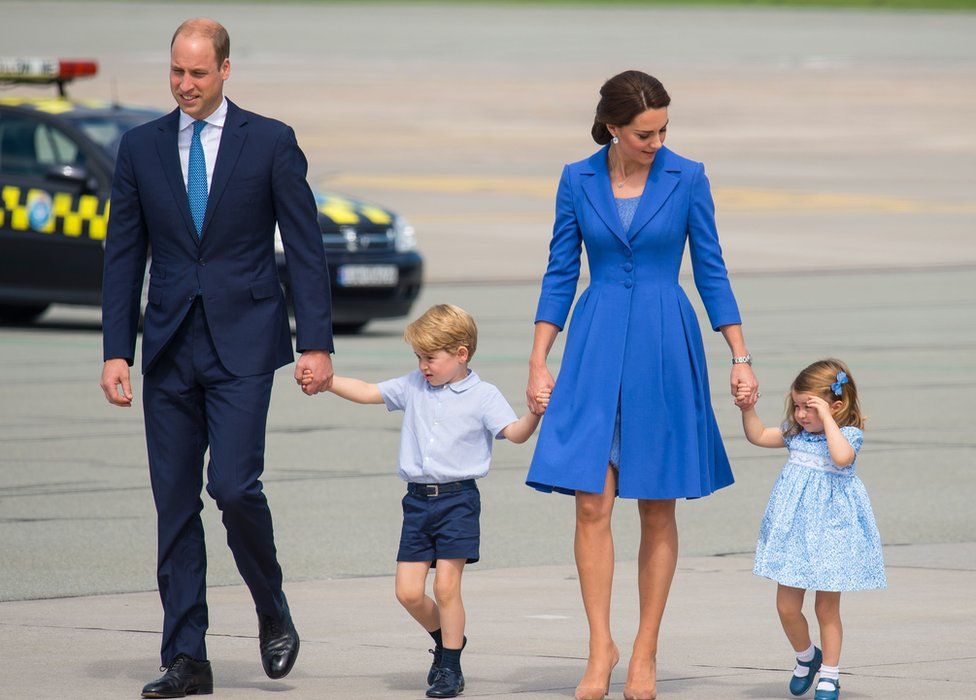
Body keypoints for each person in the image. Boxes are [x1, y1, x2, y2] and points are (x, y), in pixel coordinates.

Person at [98, 18, 335, 698]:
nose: (185, 85)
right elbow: (123, 256)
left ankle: (271, 605)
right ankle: (187, 657)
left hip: (244, 342)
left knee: (232, 487)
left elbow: (306, 247)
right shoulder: (140, 147)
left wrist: (314, 342)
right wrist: (118, 350)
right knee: (174, 506)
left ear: (225, 70)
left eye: (198, 73)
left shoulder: (270, 142)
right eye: (176, 71)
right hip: (169, 345)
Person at [524, 70, 759, 700]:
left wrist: (739, 354)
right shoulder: (577, 179)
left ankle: (646, 651)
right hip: (596, 340)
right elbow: (558, 271)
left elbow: (711, 267)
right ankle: (600, 645)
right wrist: (539, 358)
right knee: (591, 501)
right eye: (643, 133)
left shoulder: (689, 176)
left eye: (662, 131)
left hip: (663, 339)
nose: (656, 143)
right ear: (611, 128)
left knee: (657, 503)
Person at [303, 304, 547, 698]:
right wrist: (328, 382)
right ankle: (449, 638)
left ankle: (450, 666)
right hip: (417, 502)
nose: (422, 366)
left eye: (430, 358)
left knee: (448, 588)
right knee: (408, 592)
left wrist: (534, 414)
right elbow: (369, 392)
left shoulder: (483, 395)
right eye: (418, 357)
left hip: (458, 501)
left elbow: (514, 433)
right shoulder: (414, 385)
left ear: (461, 354)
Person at [737, 359, 886, 700]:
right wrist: (748, 409)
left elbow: (841, 458)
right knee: (786, 606)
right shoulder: (795, 435)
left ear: (836, 406)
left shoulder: (848, 434)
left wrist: (830, 421)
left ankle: (830, 675)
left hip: (832, 534)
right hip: (795, 534)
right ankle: (807, 657)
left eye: (810, 407)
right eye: (798, 406)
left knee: (826, 609)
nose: (802, 414)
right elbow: (758, 435)